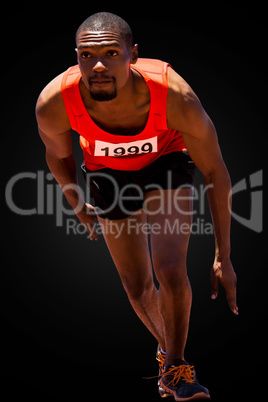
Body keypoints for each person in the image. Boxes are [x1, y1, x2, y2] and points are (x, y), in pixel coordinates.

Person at [36, 12, 238, 401]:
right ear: (75, 57)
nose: (98, 66)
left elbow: (215, 170)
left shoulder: (174, 95)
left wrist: (223, 256)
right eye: (86, 55)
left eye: (111, 53)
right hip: (107, 174)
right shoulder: (54, 101)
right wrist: (75, 200)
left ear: (133, 54)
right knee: (137, 285)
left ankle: (178, 371)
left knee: (170, 270)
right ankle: (168, 354)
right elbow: (58, 156)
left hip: (166, 160)